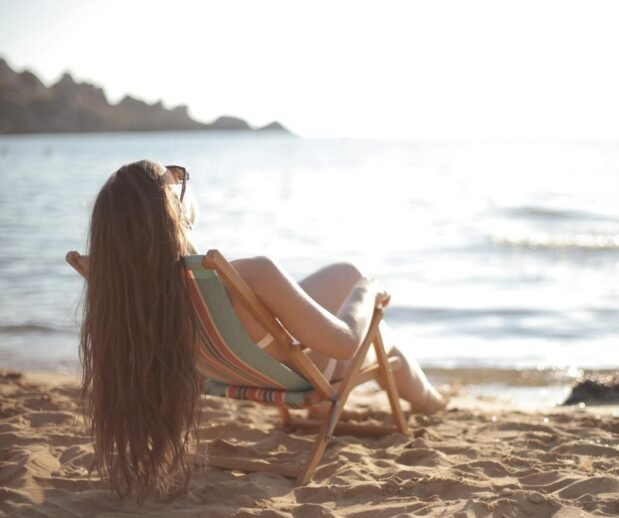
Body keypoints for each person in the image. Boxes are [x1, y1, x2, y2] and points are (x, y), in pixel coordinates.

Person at [79, 160, 446, 501]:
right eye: (177, 180)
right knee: (384, 341)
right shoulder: (251, 274)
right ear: (172, 212)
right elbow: (346, 344)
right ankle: (432, 401)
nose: (183, 183)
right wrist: (368, 291)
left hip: (243, 368)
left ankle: (417, 394)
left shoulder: (133, 292)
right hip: (308, 374)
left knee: (343, 273)